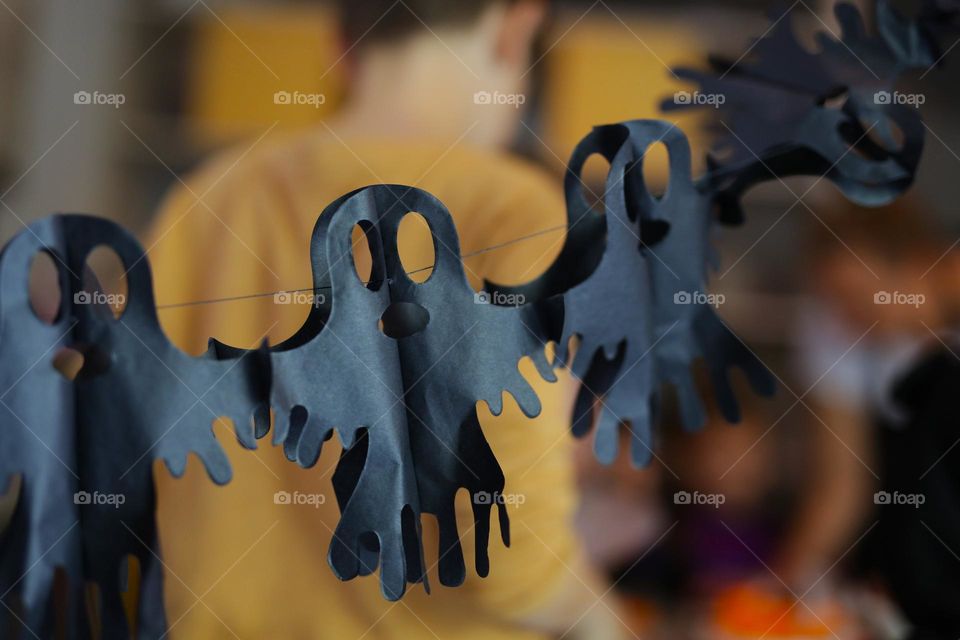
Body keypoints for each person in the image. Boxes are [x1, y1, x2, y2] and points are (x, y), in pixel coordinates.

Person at [148, 1, 624, 638]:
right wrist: (602, 621)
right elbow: (510, 556)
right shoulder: (516, 214)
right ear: (516, 28)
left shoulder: (204, 198)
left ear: (339, 43)